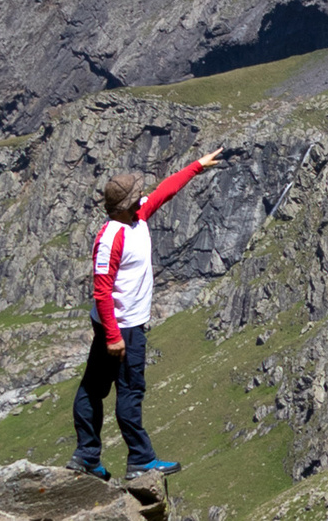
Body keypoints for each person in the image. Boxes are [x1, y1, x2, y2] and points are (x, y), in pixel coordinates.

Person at [71, 148, 223, 479]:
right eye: (137, 193)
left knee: (92, 389)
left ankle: (88, 458)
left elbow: (165, 191)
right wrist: (113, 337)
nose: (143, 196)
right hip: (122, 329)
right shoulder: (112, 237)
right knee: (128, 392)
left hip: (120, 326)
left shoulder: (136, 217)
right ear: (125, 205)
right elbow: (101, 290)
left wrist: (196, 166)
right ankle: (139, 459)